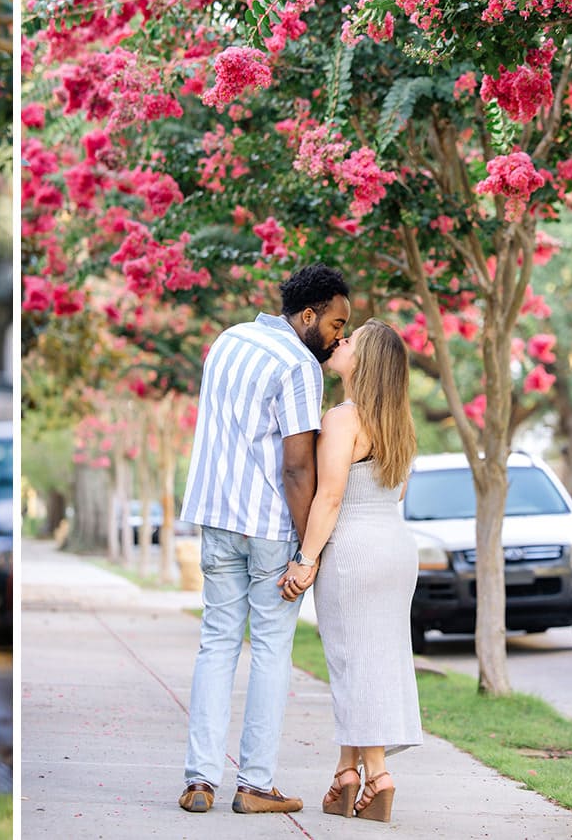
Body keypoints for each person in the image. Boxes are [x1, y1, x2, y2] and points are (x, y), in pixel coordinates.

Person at [178, 263, 351, 815]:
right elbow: (298, 468)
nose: (340, 336)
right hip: (270, 529)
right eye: (336, 323)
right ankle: (254, 785)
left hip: (215, 519)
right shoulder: (300, 365)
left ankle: (200, 780)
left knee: (217, 644)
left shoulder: (227, 341)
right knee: (272, 650)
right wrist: (309, 550)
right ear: (308, 314)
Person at [290, 318, 422, 823]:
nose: (340, 342)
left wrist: (305, 559)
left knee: (354, 662)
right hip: (394, 547)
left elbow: (330, 496)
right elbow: (398, 492)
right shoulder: (397, 422)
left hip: (354, 551)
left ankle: (379, 775)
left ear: (363, 361)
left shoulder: (345, 418)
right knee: (372, 661)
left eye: (352, 341)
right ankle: (347, 773)